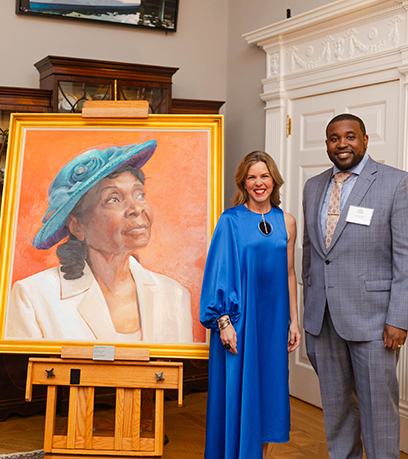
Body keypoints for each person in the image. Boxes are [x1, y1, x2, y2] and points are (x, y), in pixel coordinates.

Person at [6, 141, 193, 343]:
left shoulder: (175, 295)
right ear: (77, 226)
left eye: (140, 195)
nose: (137, 208)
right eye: (113, 199)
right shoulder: (33, 296)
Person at [302, 113, 408, 458]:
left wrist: (399, 318)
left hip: (375, 322)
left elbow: (404, 257)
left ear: (364, 139)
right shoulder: (314, 185)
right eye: (334, 138)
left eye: (350, 136)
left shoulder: (396, 183)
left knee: (378, 410)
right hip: (323, 319)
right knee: (336, 410)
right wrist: (309, 307)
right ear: (327, 144)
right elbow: (311, 251)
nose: (342, 144)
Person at [200, 151, 301, 459]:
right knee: (236, 391)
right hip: (238, 321)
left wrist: (294, 321)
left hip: (273, 321)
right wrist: (224, 323)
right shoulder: (231, 220)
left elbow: (289, 272)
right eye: (252, 176)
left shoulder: (287, 221)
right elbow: (219, 272)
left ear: (274, 180)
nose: (259, 183)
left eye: (265, 175)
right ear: (243, 181)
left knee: (269, 392)